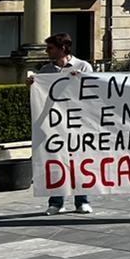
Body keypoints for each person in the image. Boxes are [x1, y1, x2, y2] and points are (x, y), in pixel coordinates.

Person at [32, 34, 94, 215]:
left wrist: (81, 79)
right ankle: (56, 202)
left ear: (63, 48)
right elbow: (40, 94)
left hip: (78, 122)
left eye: (50, 48)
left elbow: (94, 90)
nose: (47, 52)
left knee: (80, 162)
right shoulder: (45, 70)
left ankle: (82, 200)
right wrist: (32, 86)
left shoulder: (83, 66)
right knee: (56, 161)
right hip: (55, 124)